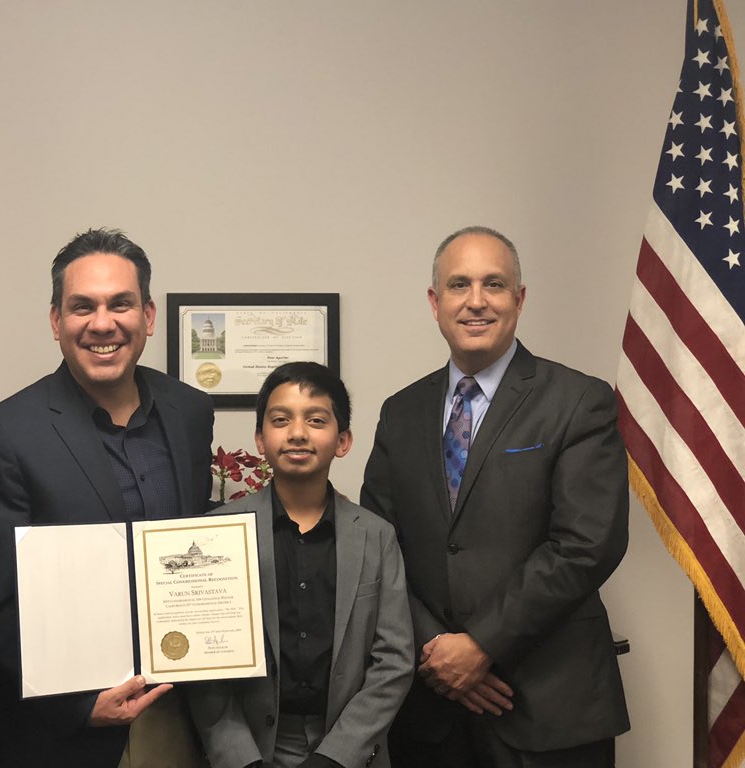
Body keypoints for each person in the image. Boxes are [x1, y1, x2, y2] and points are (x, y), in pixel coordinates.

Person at [360, 226, 630, 767]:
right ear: (436, 303)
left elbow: (586, 544)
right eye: (459, 285)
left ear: (519, 300)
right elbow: (378, 546)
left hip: (550, 706)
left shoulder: (580, 401)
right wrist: (440, 653)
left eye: (495, 284)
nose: (476, 301)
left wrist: (481, 646)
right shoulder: (401, 411)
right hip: (432, 710)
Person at [0, 228, 215, 767]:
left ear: (147, 316)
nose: (103, 323)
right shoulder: (5, 433)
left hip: (178, 713)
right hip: (65, 733)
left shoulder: (190, 413)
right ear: (56, 321)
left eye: (120, 304)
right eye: (83, 306)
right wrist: (75, 705)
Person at [192, 362, 413, 768]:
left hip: (350, 748)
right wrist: (241, 758)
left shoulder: (377, 536)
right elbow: (205, 671)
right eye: (280, 420)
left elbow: (395, 660)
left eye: (316, 420)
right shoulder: (217, 533)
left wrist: (337, 756)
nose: (297, 433)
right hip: (252, 748)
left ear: (342, 440)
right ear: (260, 439)